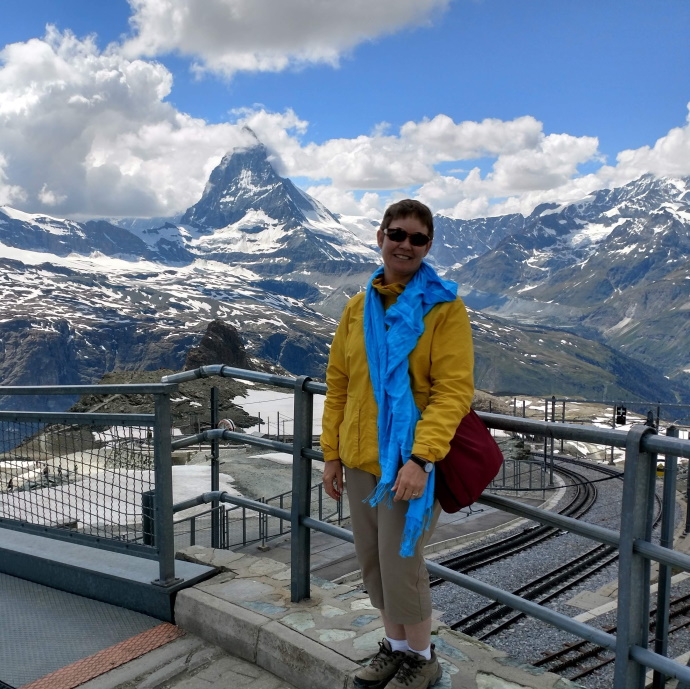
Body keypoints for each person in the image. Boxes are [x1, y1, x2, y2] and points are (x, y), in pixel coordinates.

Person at [321, 199, 474, 689]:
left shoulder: (444, 308)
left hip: (408, 464)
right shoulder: (356, 308)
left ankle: (422, 658)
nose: (405, 245)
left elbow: (453, 392)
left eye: (417, 238)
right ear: (380, 236)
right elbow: (339, 384)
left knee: (402, 564)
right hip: (361, 459)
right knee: (373, 563)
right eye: (397, 234)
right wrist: (330, 455)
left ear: (428, 246)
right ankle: (396, 649)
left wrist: (422, 459)